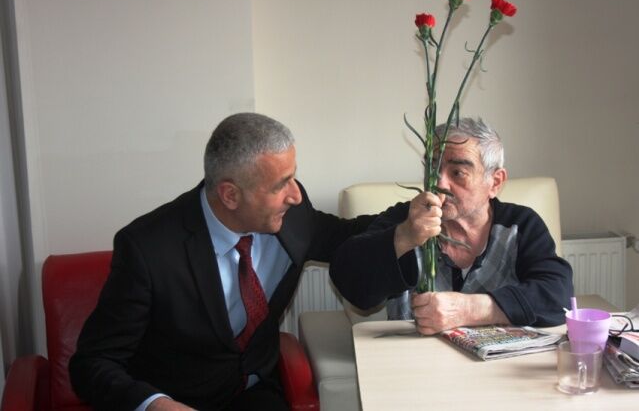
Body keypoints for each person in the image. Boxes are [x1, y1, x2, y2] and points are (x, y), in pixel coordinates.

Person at [69, 113, 374, 411]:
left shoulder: (290, 215)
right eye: (280, 184)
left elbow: (347, 236)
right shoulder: (148, 249)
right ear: (230, 195)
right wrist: (154, 405)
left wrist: (401, 223)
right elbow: (92, 362)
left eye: (293, 177)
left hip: (254, 393)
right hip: (176, 397)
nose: (295, 195)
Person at [329, 117, 573, 335]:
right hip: (413, 363)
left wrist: (468, 309)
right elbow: (352, 285)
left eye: (457, 172)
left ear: (495, 182)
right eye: (433, 169)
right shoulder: (408, 219)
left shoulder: (519, 226)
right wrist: (404, 236)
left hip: (496, 367)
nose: (440, 183)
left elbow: (557, 296)